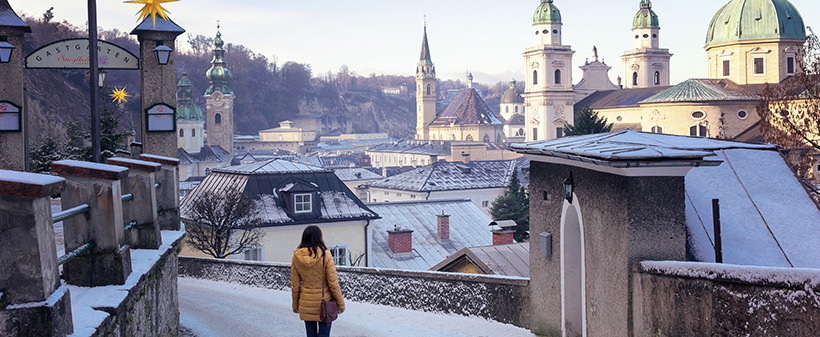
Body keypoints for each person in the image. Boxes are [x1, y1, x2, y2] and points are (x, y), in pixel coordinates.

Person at [291, 225, 345, 337]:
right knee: (324, 334)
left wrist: (295, 305)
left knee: (310, 334)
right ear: (319, 237)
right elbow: (333, 283)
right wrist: (340, 304)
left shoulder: (296, 257)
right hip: (324, 303)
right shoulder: (326, 255)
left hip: (306, 302)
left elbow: (295, 285)